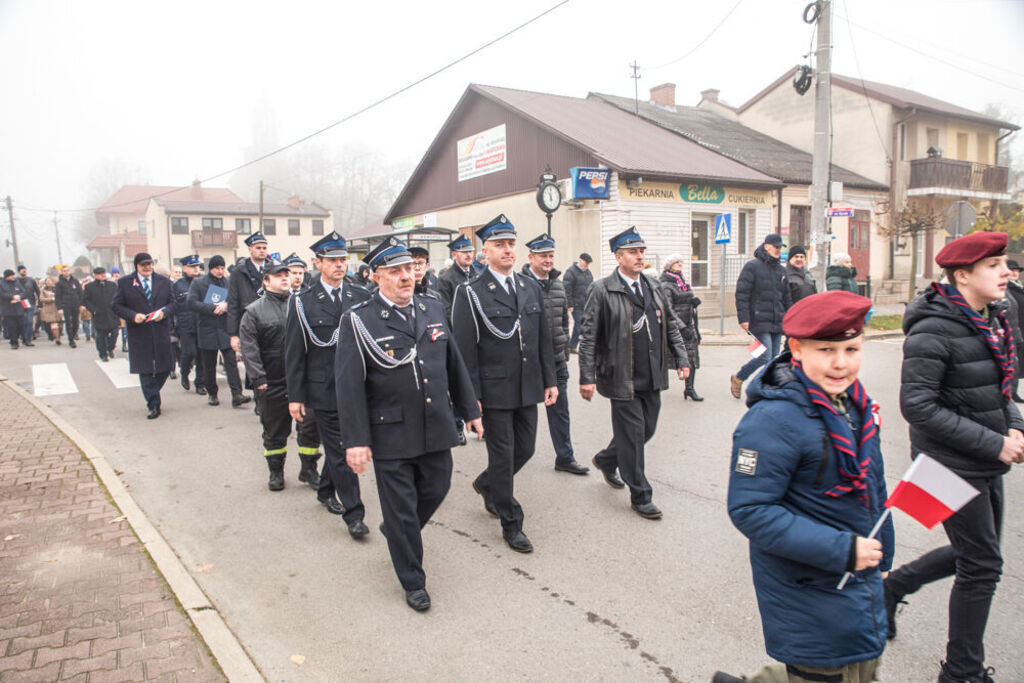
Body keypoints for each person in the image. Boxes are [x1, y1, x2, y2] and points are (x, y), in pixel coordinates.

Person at [716, 290, 893, 683]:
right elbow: (751, 510)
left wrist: (886, 560)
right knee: (822, 671)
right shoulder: (772, 419)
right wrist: (843, 550)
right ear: (796, 348)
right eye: (826, 350)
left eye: (851, 349)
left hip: (858, 580)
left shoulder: (858, 406)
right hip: (808, 589)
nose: (841, 363)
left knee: (861, 669)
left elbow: (873, 490)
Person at [883, 231, 1024, 683]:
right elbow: (918, 407)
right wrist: (996, 442)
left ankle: (894, 586)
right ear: (962, 275)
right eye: (994, 265)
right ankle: (962, 671)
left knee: (979, 555)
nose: (1007, 272)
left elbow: (1000, 386)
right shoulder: (933, 328)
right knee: (982, 565)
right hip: (944, 464)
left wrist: (1015, 424)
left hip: (983, 459)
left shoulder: (992, 317)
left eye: (1005, 263)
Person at [337, 237, 483, 611]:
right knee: (401, 509)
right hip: (390, 431)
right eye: (395, 271)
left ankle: (398, 534)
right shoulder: (358, 320)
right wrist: (356, 440)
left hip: (434, 424)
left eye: (409, 269)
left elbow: (453, 363)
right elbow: (349, 385)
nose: (406, 277)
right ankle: (413, 579)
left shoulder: (432, 307)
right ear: (376, 277)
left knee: (438, 485)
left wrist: (470, 410)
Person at [450, 214, 557, 552]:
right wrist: (471, 400)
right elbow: (464, 352)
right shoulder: (470, 293)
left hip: (527, 386)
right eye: (500, 245)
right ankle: (512, 522)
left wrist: (550, 379)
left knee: (526, 449)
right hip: (493, 390)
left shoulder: (528, 287)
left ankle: (486, 484)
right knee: (503, 455)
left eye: (511, 243)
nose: (508, 250)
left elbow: (543, 339)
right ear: (486, 251)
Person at [579, 227, 689, 520]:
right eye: (632, 252)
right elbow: (588, 336)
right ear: (618, 257)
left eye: (641, 251)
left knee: (646, 430)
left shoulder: (654, 286)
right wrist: (586, 376)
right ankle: (640, 494)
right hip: (620, 376)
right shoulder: (602, 289)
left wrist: (681, 357)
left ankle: (606, 459)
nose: (639, 256)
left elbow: (670, 326)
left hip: (651, 373)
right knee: (633, 434)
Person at [285, 231, 372, 539]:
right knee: (340, 450)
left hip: (358, 386)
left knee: (340, 450)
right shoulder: (302, 302)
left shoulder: (361, 295)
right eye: (332, 260)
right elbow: (294, 352)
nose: (339, 265)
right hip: (324, 388)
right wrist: (295, 396)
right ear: (318, 263)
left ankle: (324, 489)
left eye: (343, 260)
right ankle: (354, 514)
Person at [240, 260, 322, 491]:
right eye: (278, 276)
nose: (285, 278)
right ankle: (276, 472)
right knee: (275, 431)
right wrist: (259, 380)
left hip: (304, 382)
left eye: (286, 274)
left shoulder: (302, 305)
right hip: (273, 382)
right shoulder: (253, 311)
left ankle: (309, 469)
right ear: (266, 281)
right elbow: (250, 349)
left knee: (309, 428)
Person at [521, 233, 588, 475]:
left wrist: (564, 350)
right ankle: (514, 461)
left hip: (556, 361)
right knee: (522, 417)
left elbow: (563, 322)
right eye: (543, 256)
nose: (548, 260)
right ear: (531, 257)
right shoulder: (520, 284)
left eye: (550, 255)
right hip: (528, 363)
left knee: (561, 412)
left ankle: (565, 457)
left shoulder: (558, 284)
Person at [110, 253, 176, 419]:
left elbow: (174, 303)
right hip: (139, 332)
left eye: (149, 264)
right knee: (145, 370)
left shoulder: (164, 282)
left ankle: (152, 391)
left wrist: (164, 312)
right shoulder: (125, 283)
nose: (147, 267)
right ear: (136, 266)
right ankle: (153, 404)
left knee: (166, 367)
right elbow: (116, 305)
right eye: (143, 265)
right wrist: (132, 316)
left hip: (160, 330)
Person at [730, 234, 792, 399]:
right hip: (758, 318)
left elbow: (787, 297)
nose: (778, 250)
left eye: (780, 247)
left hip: (777, 319)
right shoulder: (752, 266)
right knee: (765, 354)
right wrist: (743, 318)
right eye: (776, 246)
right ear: (766, 246)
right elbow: (742, 293)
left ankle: (765, 387)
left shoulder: (781, 270)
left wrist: (790, 317)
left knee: (772, 356)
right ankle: (739, 378)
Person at [187, 255, 249, 408]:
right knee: (209, 365)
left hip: (225, 328)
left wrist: (227, 305)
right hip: (207, 327)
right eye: (217, 268)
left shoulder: (228, 283)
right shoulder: (199, 283)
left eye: (222, 268)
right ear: (211, 269)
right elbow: (191, 303)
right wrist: (212, 308)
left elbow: (236, 301)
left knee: (231, 363)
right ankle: (212, 393)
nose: (220, 271)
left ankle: (237, 394)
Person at [659, 254, 703, 401]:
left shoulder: (681, 280)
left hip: (688, 325)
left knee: (691, 358)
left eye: (680, 262)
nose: (680, 264)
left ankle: (689, 389)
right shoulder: (665, 284)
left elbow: (686, 299)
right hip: (675, 327)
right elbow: (668, 308)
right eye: (676, 262)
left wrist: (693, 302)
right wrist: (680, 326)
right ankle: (653, 386)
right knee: (662, 359)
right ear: (669, 266)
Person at [228, 232, 269, 358]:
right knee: (252, 363)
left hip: (271, 323)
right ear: (250, 249)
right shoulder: (239, 272)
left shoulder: (274, 269)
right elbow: (233, 304)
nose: (262, 251)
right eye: (258, 248)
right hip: (249, 323)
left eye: (264, 248)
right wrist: (233, 334)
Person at [173, 254, 206, 394]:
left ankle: (200, 383)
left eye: (197, 266)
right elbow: (173, 305)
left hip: (202, 323)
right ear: (184, 268)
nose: (196, 269)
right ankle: (184, 372)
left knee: (202, 355)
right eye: (192, 267)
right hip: (185, 324)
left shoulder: (204, 282)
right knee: (189, 352)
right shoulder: (178, 285)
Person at [82, 267, 119, 361]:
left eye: (104, 273)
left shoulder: (112, 285)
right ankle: (103, 354)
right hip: (99, 314)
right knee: (101, 336)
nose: (103, 275)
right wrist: (93, 309)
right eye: (100, 274)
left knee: (115, 332)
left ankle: (110, 348)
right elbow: (85, 301)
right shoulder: (89, 287)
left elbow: (118, 297)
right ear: (95, 275)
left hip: (112, 314)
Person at [563, 252, 594, 354]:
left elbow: (591, 288)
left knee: (583, 324)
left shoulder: (588, 273)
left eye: (588, 264)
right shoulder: (571, 272)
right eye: (585, 263)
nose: (587, 266)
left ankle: (572, 346)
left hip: (586, 304)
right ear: (580, 260)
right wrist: (570, 304)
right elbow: (567, 289)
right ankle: (578, 347)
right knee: (579, 325)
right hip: (575, 304)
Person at [436, 235, 474, 315]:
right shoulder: (445, 279)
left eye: (470, 251)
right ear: (454, 255)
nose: (468, 255)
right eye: (464, 252)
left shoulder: (478, 275)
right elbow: (446, 310)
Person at [1006, 260, 1024, 402]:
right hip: (1012, 329)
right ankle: (1010, 392)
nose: (1014, 273)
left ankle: (1014, 391)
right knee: (1012, 362)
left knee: (1016, 362)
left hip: (1018, 329)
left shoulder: (1018, 287)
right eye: (1012, 269)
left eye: (1017, 270)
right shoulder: (1006, 288)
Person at [55, 265, 83, 348]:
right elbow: (58, 296)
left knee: (76, 323)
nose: (66, 272)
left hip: (75, 304)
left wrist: (81, 304)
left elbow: (80, 293)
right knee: (68, 322)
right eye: (64, 271)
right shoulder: (59, 283)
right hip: (65, 305)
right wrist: (59, 308)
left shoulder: (75, 281)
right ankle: (71, 340)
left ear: (69, 271)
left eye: (67, 270)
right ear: (62, 272)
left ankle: (73, 334)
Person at [0, 270, 26, 349]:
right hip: (7, 309)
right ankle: (14, 342)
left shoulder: (16, 282)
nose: (13, 277)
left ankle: (17, 338)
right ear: (7, 276)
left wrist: (19, 297)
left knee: (20, 325)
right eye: (11, 275)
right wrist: (12, 297)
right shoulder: (1, 284)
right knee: (11, 327)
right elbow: (2, 294)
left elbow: (24, 292)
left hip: (18, 308)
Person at [16, 266, 39, 346]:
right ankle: (22, 337)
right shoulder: (15, 281)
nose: (25, 271)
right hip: (19, 303)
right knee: (22, 322)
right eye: (23, 270)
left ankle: (28, 339)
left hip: (30, 302)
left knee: (29, 322)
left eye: (25, 270)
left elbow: (37, 291)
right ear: (19, 271)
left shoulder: (31, 280)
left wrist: (40, 303)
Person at [38, 278, 63, 345]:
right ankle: (57, 339)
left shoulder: (58, 289)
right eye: (47, 281)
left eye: (49, 281)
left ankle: (59, 336)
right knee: (53, 324)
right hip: (49, 309)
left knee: (60, 325)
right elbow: (41, 299)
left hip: (58, 308)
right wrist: (51, 299)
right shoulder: (43, 290)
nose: (48, 282)